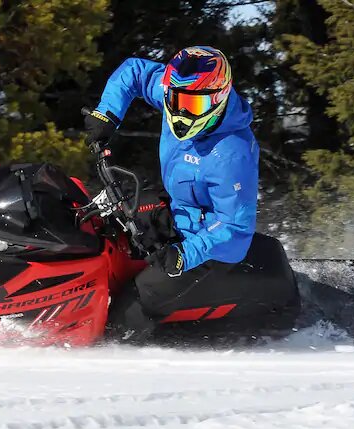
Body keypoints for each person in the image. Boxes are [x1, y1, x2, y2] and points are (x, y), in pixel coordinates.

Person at [84, 46, 261, 341]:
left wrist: (185, 254)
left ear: (217, 98)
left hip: (206, 246)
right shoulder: (179, 96)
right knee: (104, 229)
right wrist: (107, 113)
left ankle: (116, 353)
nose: (179, 113)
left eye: (191, 106)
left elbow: (235, 229)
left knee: (132, 302)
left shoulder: (231, 155)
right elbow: (135, 71)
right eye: (173, 100)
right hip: (178, 213)